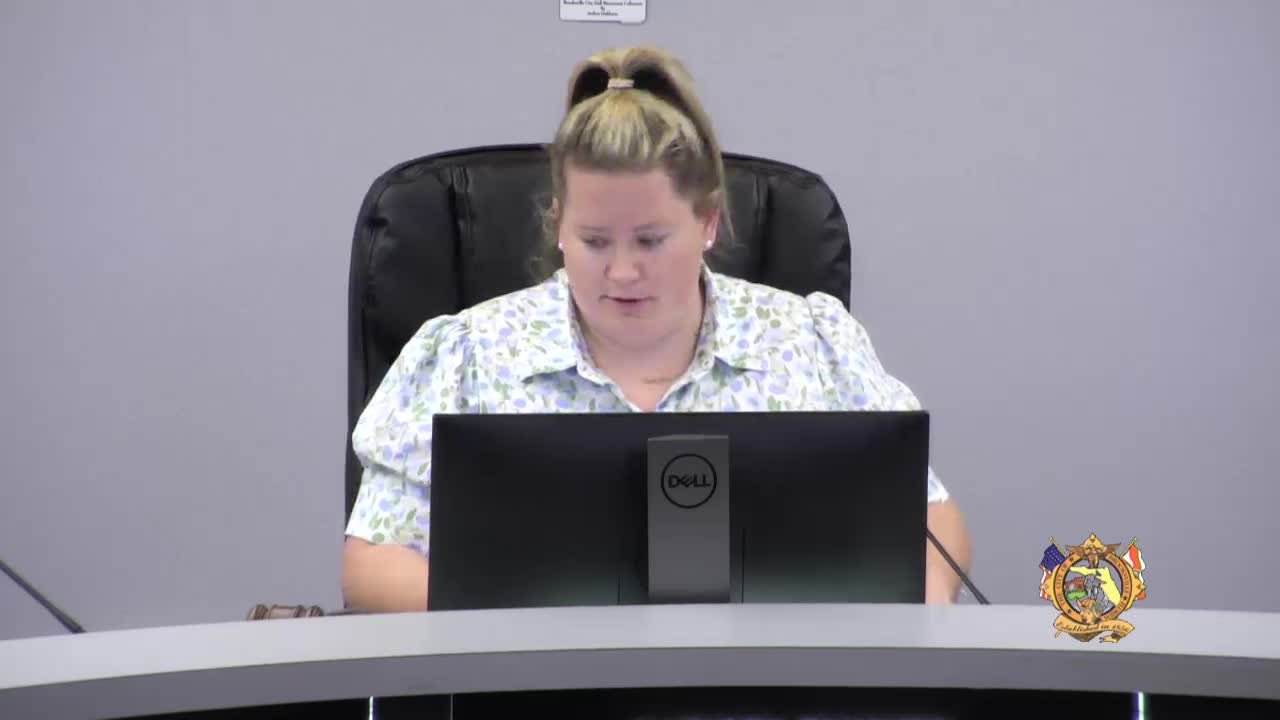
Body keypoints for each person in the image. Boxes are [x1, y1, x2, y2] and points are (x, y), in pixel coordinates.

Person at [342, 46, 973, 612]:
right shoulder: (468, 354)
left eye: (650, 240)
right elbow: (372, 561)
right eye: (594, 241)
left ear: (708, 223)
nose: (622, 271)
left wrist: (918, 600)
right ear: (558, 226)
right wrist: (523, 630)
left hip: (771, 683)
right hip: (537, 683)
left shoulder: (809, 341)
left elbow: (930, 517)